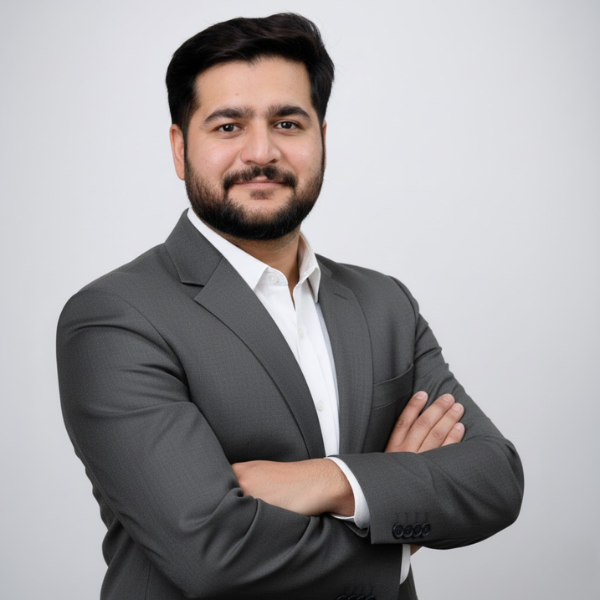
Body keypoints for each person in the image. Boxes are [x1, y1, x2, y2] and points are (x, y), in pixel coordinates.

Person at [56, 13, 524, 600]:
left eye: (287, 123)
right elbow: (214, 554)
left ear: (321, 138)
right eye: (228, 126)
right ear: (180, 149)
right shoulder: (114, 318)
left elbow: (496, 479)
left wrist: (330, 481)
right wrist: (396, 518)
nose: (261, 151)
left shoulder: (385, 304)